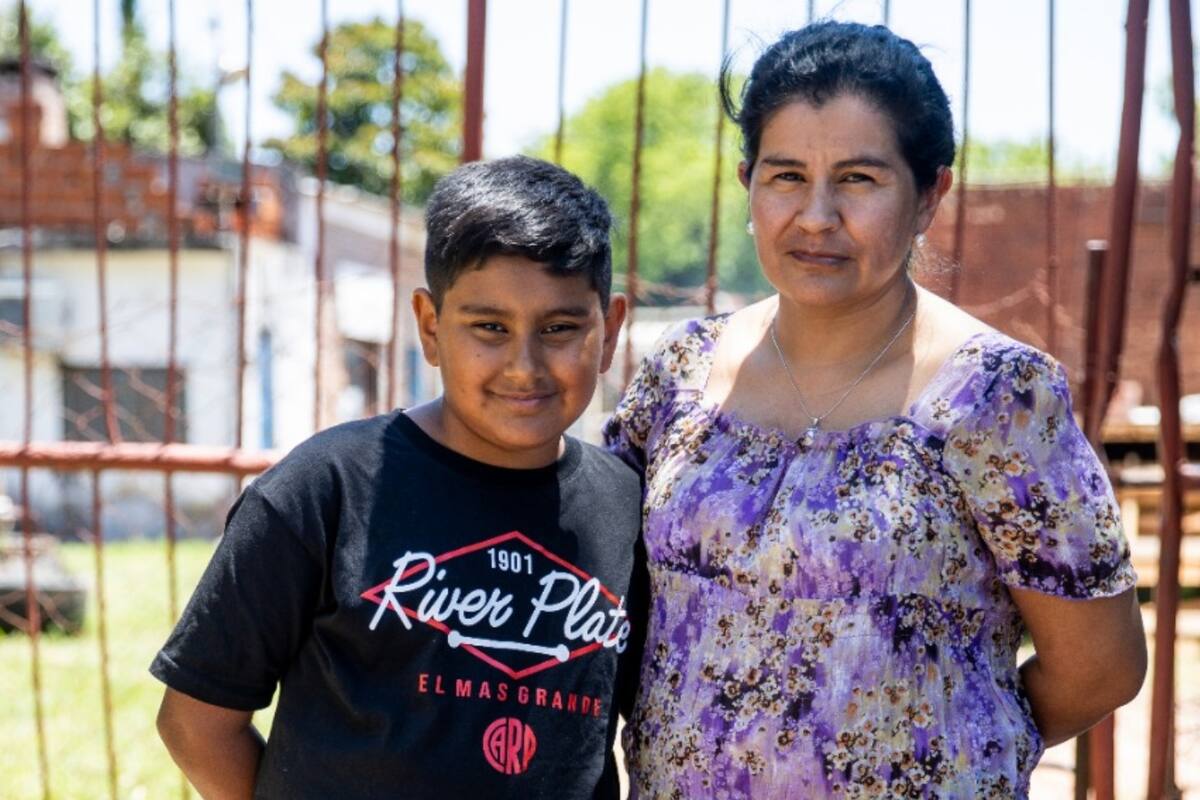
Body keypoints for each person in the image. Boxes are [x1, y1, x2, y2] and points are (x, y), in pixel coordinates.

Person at [605, 21, 1145, 799]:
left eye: (859, 178)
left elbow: (1101, 666)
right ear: (746, 181)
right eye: (786, 175)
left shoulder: (995, 395)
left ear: (931, 195)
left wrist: (941, 748)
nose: (817, 216)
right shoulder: (680, 377)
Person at [152, 155, 642, 799]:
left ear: (607, 332)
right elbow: (195, 722)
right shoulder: (326, 488)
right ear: (431, 327)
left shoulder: (631, 509)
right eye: (489, 328)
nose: (525, 366)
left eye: (559, 328)